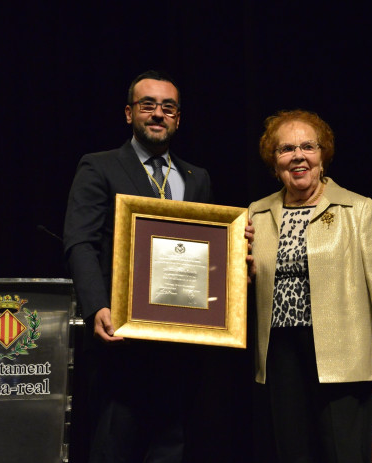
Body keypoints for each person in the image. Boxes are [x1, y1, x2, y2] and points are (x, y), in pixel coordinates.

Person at [64, 70, 252, 462]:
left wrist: (235, 255)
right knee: (115, 446)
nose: (157, 114)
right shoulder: (99, 167)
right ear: (129, 113)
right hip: (120, 343)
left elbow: (205, 255)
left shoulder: (196, 177)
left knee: (171, 448)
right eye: (147, 105)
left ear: (178, 119)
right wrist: (97, 305)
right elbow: (80, 242)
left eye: (168, 107)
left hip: (179, 347)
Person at [248, 109, 372, 462]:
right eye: (286, 148)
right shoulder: (255, 214)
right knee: (293, 453)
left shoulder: (358, 209)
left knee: (343, 453)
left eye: (308, 146)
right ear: (273, 161)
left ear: (323, 156)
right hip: (280, 351)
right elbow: (241, 282)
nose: (298, 156)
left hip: (342, 351)